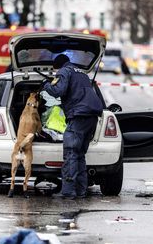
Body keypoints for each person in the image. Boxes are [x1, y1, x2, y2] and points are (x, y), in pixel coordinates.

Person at [42, 54, 103, 199]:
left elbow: (58, 91)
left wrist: (46, 85)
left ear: (58, 66)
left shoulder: (64, 71)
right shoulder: (81, 73)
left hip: (78, 116)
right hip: (92, 117)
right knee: (79, 155)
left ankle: (68, 192)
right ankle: (81, 191)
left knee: (70, 154)